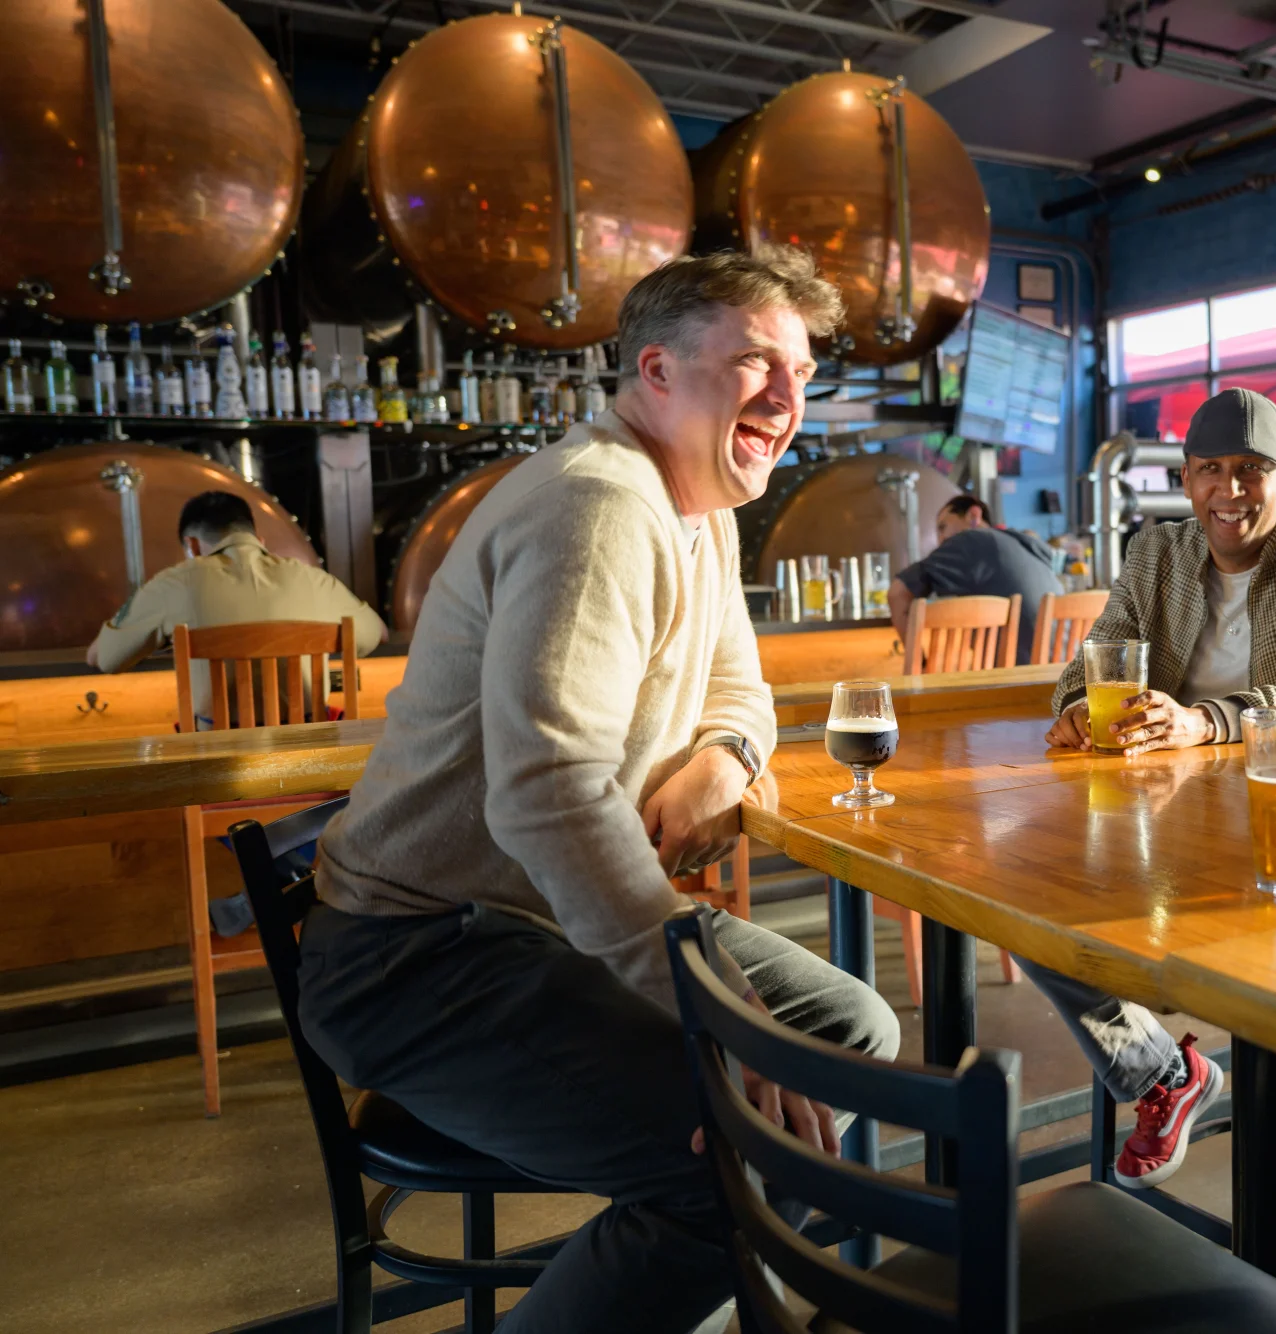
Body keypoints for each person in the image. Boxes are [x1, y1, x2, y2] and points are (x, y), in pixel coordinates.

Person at [296, 249, 900, 1334]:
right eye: (755, 361)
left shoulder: (698, 507)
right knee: (738, 1172)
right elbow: (546, 796)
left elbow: (741, 691)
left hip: (536, 927)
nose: (787, 396)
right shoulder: (598, 508)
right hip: (418, 956)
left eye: (803, 371)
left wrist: (727, 757)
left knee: (851, 1031)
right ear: (656, 370)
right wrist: (702, 1006)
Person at [1035, 386, 1276, 1240]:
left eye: (1254, 470)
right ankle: (1161, 1073)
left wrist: (1203, 721)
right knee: (1031, 903)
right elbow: (1094, 655)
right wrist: (1083, 705)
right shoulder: (1157, 550)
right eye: (1212, 471)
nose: (1232, 490)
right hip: (1168, 810)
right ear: (1186, 480)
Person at [86, 490, 386, 728]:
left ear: (191, 545)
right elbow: (377, 634)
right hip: (311, 753)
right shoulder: (311, 577)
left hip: (218, 761)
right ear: (259, 540)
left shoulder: (173, 583)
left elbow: (105, 658)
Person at [888, 493, 1064, 663]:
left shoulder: (969, 539)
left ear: (973, 515)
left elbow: (897, 593)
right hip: (1063, 676)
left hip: (1017, 683)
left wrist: (921, 665)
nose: (940, 539)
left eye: (943, 527)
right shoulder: (1026, 546)